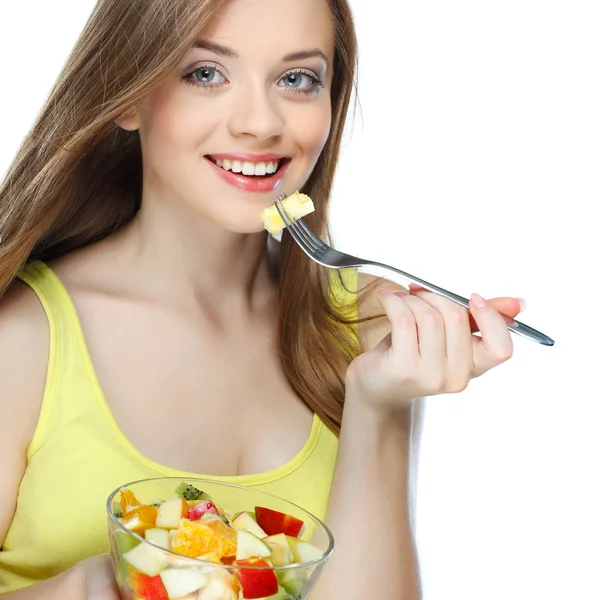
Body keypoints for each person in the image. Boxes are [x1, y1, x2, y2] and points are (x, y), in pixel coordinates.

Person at [0, 0, 523, 598]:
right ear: (127, 94)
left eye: (297, 79)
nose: (260, 123)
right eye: (206, 74)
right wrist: (87, 589)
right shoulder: (20, 339)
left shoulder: (366, 325)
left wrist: (376, 406)